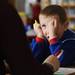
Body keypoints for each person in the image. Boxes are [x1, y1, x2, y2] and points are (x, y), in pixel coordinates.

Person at [0, 0, 60, 75]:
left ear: (65, 25)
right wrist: (39, 38)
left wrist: (52, 38)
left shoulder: (69, 40)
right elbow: (30, 63)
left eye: (52, 25)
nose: (47, 30)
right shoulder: (5, 11)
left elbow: (60, 59)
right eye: (43, 26)